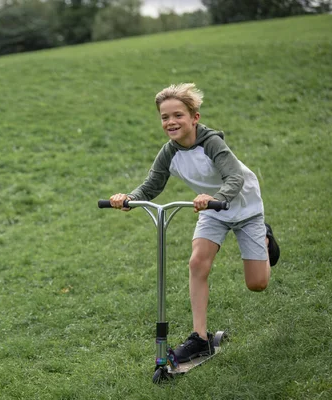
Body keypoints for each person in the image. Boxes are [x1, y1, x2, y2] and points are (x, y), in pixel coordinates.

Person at [109, 83, 280, 363]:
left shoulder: (212, 143)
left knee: (257, 284)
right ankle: (200, 338)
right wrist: (129, 198)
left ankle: (264, 238)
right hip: (211, 209)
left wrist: (216, 197)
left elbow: (235, 178)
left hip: (244, 207)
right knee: (197, 262)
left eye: (178, 115)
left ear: (194, 118)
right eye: (165, 117)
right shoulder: (169, 152)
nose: (171, 122)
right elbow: (152, 184)